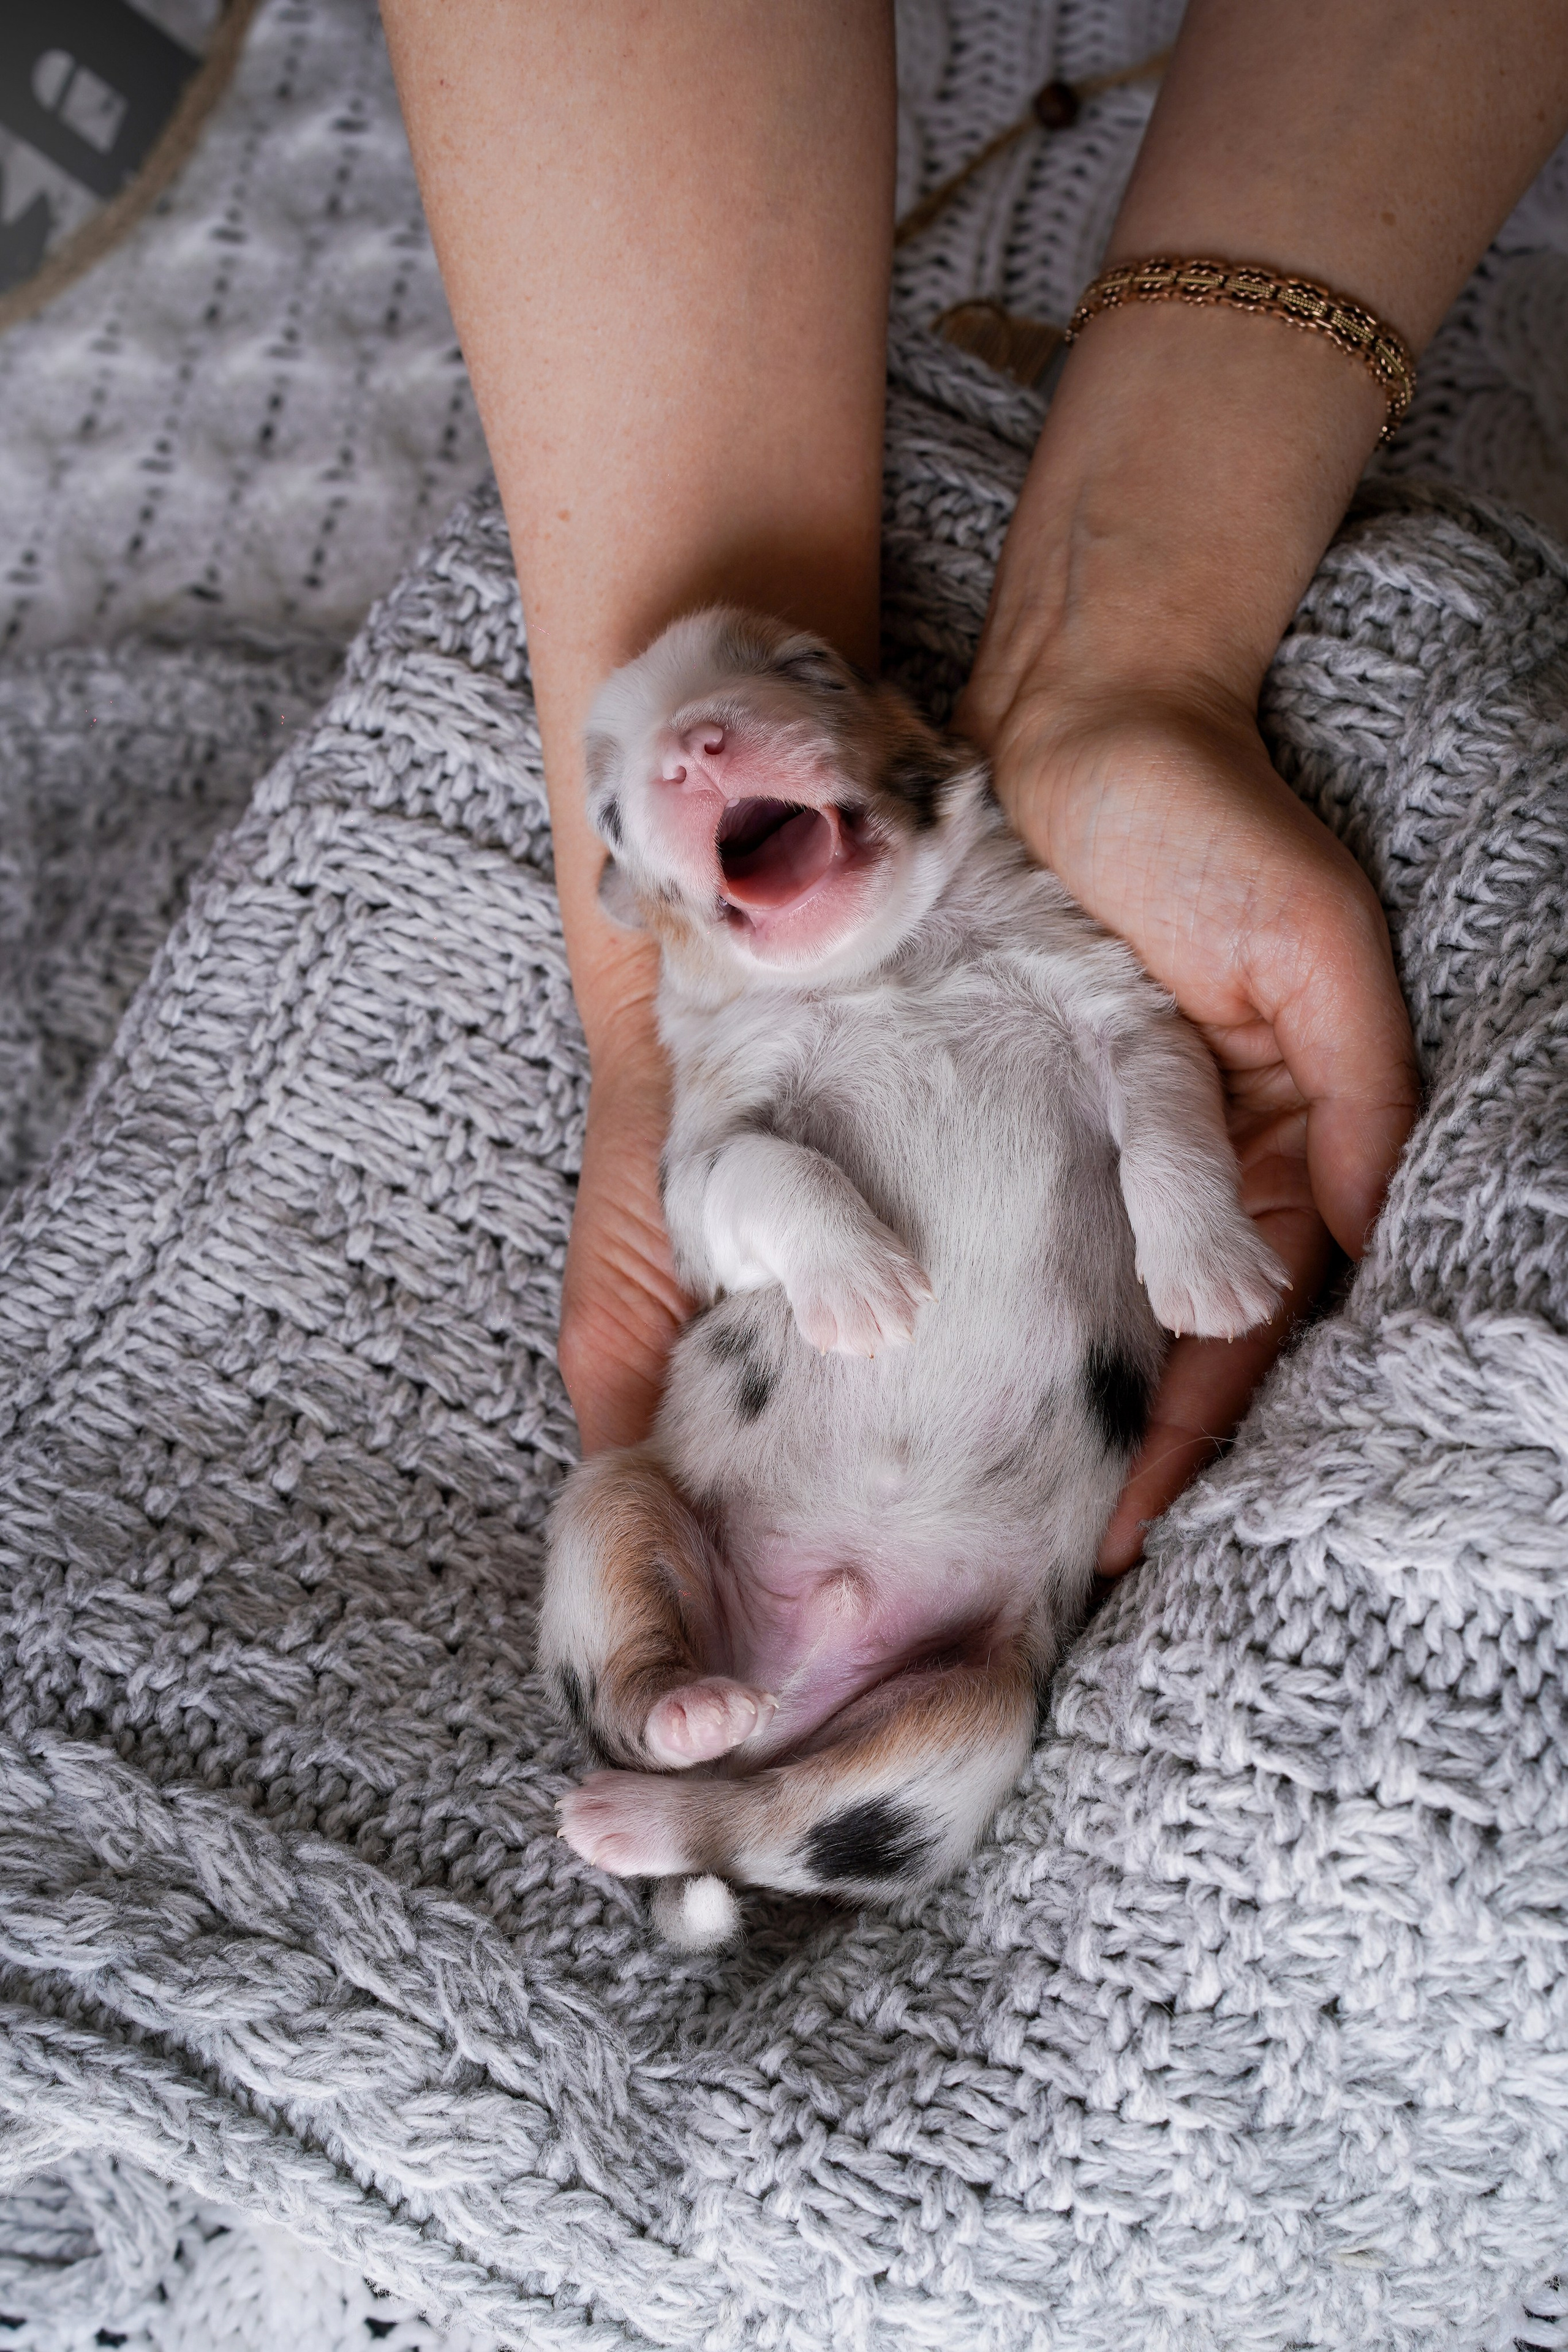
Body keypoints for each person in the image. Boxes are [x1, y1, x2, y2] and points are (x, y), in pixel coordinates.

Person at [379, 0, 1568, 1571]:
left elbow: (1123, 1052)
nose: (685, 760)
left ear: (914, 741)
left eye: (792, 683)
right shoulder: (713, 960)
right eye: (626, 804)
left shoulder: (969, 881)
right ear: (642, 900)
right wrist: (654, 1058)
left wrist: (1121, 640)